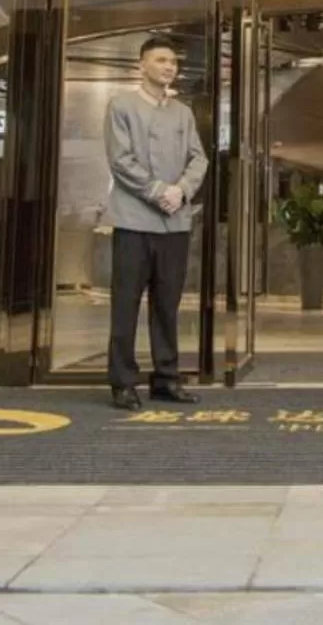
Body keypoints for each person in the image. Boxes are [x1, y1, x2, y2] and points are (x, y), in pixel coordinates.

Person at [103, 36, 209, 410]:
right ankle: (122, 383)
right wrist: (158, 190)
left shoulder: (183, 112)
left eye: (173, 63)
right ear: (142, 65)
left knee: (167, 306)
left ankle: (166, 379)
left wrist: (181, 190)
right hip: (134, 221)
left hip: (175, 224)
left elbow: (199, 158)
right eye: (161, 60)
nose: (169, 67)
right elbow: (121, 160)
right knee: (126, 305)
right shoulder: (121, 106)